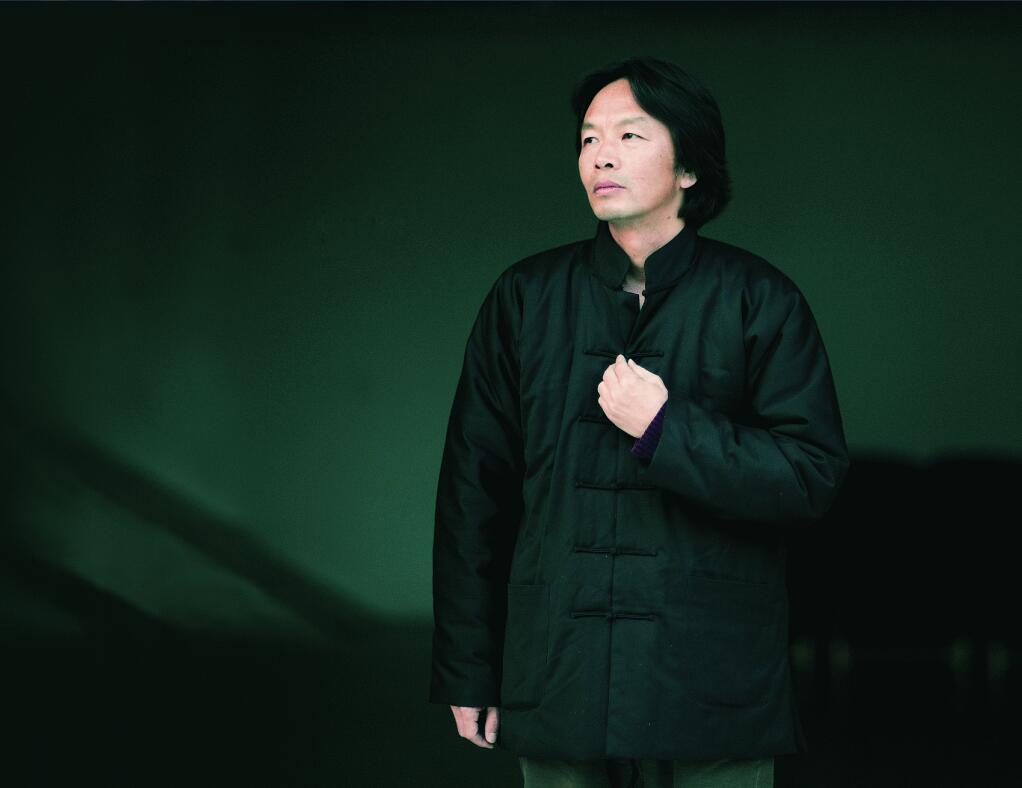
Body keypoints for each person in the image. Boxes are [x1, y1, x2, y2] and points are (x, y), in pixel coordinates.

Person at [429, 56, 849, 788]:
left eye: (629, 135)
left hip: (710, 678)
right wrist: (468, 667)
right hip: (558, 669)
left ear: (689, 166)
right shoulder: (525, 298)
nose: (601, 156)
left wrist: (665, 430)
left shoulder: (759, 299)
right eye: (588, 139)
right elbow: (474, 493)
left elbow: (809, 476)